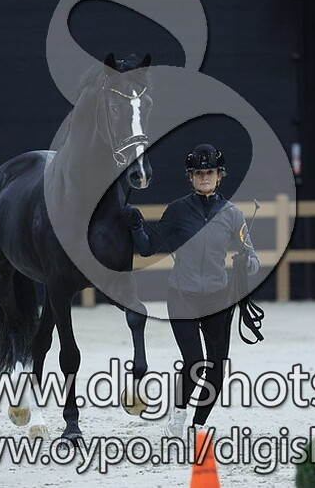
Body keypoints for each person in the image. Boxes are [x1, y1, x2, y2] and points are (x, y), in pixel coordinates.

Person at [121, 143, 260, 437]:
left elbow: (251, 255)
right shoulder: (177, 210)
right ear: (191, 177)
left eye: (209, 172)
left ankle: (199, 424)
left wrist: (247, 262)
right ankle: (179, 413)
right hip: (182, 295)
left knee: (217, 366)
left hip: (218, 298)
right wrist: (136, 227)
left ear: (219, 176)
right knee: (194, 361)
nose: (204, 177)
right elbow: (148, 249)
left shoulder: (232, 214)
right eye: (198, 173)